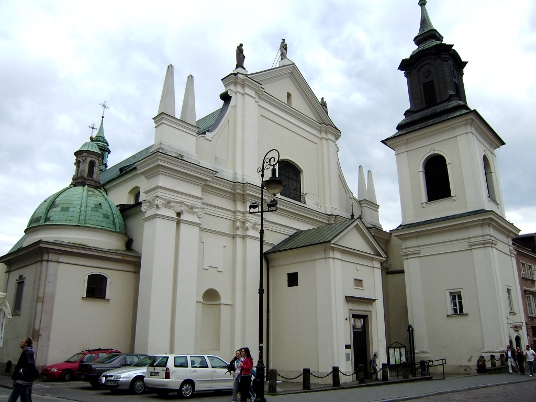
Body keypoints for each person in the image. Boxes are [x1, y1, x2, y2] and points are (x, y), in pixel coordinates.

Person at [8, 337, 37, 402]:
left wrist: (22, 371)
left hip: (22, 380)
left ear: (26, 344)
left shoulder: (27, 352)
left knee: (12, 398)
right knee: (25, 398)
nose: (20, 343)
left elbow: (30, 365)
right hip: (25, 379)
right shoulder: (27, 352)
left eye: (22, 342)